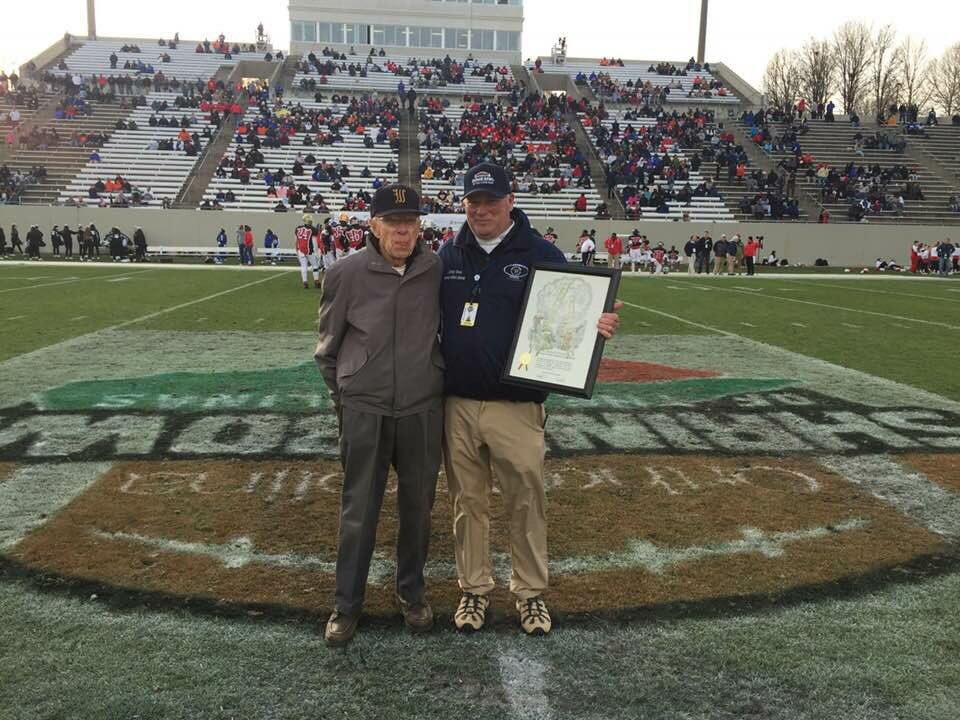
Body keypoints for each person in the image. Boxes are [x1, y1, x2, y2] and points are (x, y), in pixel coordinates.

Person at [437, 162, 620, 636]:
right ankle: (473, 588)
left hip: (516, 406)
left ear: (510, 201)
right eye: (473, 202)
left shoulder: (540, 251)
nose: (481, 211)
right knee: (466, 502)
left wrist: (594, 327)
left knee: (525, 501)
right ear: (463, 204)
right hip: (455, 403)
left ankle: (530, 593)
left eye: (491, 202)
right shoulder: (448, 253)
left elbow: (571, 312)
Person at [316, 183, 443, 648]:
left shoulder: (435, 269)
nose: (403, 231)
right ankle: (346, 604)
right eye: (393, 222)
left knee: (418, 509)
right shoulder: (346, 273)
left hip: (421, 409)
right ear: (374, 225)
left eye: (410, 223)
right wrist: (346, 399)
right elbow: (327, 351)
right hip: (365, 409)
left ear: (419, 227)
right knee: (358, 512)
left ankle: (411, 592)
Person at [294, 216, 322, 288]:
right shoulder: (313, 229)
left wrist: (297, 249)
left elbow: (296, 240)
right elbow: (315, 239)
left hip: (301, 250)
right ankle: (316, 281)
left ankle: (305, 282)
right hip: (309, 250)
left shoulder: (298, 228)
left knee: (304, 267)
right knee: (315, 266)